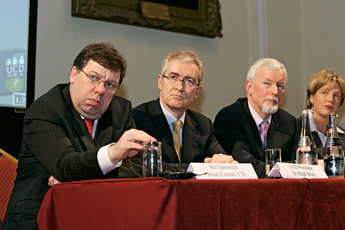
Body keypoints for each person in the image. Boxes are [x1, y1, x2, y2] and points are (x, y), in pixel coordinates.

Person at [2, 43, 156, 230]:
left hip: (95, 217)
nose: (100, 90)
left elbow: (141, 167)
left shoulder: (120, 111)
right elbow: (65, 165)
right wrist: (113, 154)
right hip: (39, 219)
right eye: (93, 78)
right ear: (74, 74)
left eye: (110, 85)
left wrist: (75, 182)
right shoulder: (45, 110)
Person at [130, 50, 236, 172]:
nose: (180, 87)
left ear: (197, 92)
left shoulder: (203, 125)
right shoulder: (138, 118)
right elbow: (140, 167)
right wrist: (199, 168)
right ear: (160, 82)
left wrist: (223, 161)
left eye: (189, 81)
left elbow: (225, 162)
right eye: (173, 77)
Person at [214, 58, 299, 178]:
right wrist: (283, 170)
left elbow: (298, 166)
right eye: (267, 84)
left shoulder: (289, 122)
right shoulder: (230, 118)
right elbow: (245, 166)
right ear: (249, 87)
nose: (275, 91)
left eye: (280, 86)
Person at [297, 69, 345, 157]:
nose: (330, 99)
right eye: (324, 92)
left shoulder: (342, 136)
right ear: (311, 97)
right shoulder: (296, 129)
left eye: (336, 95)